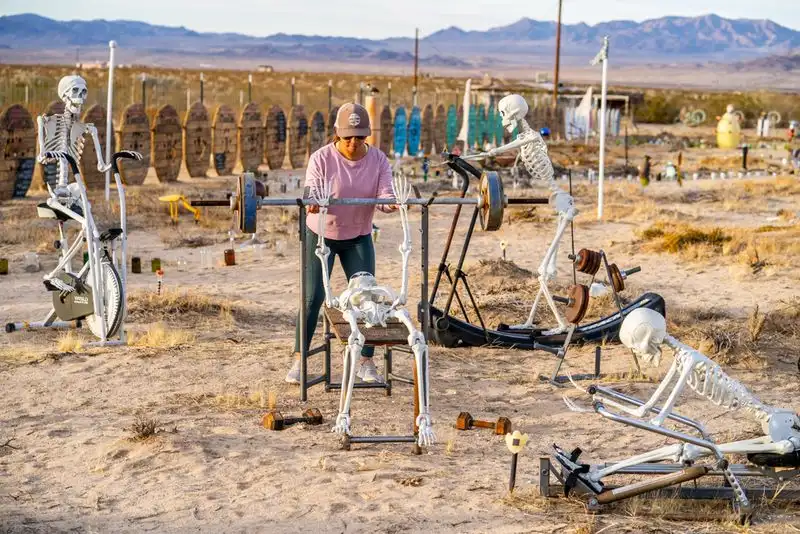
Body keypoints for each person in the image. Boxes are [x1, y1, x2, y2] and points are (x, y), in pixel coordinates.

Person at [285, 103, 397, 385]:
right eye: (347, 136)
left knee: (367, 298)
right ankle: (300, 359)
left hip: (358, 235)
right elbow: (312, 189)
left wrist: (389, 204)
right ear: (337, 133)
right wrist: (312, 202)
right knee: (312, 298)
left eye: (359, 136)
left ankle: (365, 361)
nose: (353, 142)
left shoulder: (379, 160)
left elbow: (385, 193)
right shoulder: (321, 159)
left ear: (367, 135)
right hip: (321, 235)